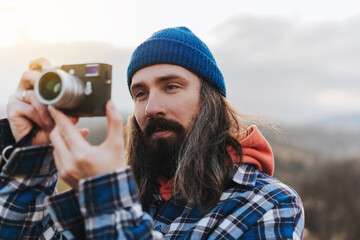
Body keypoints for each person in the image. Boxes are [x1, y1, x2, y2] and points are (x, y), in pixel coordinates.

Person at [0, 27, 304, 239]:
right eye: (140, 93)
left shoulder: (267, 204)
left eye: (171, 86)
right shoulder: (124, 196)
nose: (151, 108)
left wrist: (106, 200)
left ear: (209, 100)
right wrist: (32, 155)